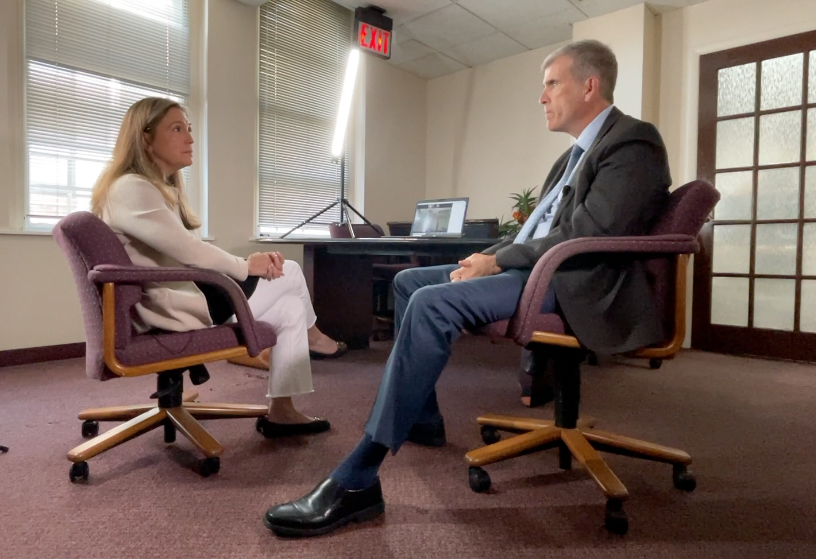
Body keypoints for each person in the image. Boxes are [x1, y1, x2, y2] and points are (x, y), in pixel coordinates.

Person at [263, 39, 672, 537]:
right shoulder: (570, 159)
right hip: (539, 270)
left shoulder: (633, 141)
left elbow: (590, 234)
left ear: (590, 85)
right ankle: (423, 418)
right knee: (412, 282)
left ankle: (358, 477)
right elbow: (534, 231)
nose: (541, 97)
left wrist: (496, 259)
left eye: (551, 83)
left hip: (575, 283)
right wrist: (486, 257)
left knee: (433, 305)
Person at [91, 97, 347, 438]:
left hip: (177, 297)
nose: (190, 138)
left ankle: (282, 411)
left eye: (190, 129)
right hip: (173, 311)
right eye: (177, 129)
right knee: (291, 272)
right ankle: (316, 337)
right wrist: (245, 265)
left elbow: (186, 252)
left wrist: (246, 267)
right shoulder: (131, 188)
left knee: (289, 308)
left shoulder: (148, 189)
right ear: (145, 138)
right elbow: (189, 251)